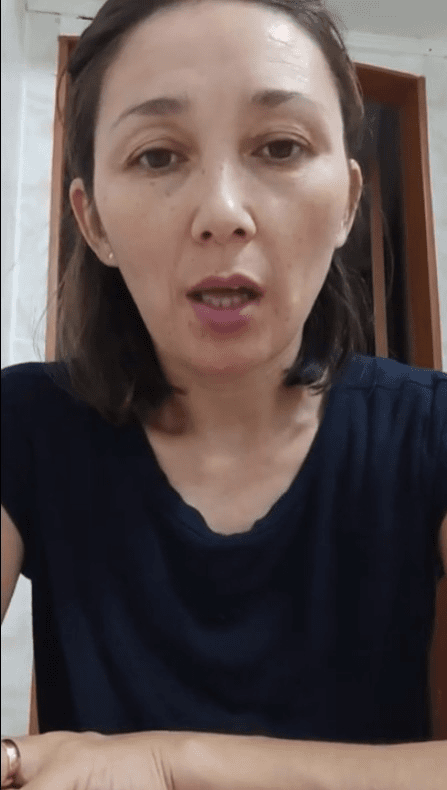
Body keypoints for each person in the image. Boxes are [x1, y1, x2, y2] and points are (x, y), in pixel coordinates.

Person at [2, 0, 446, 787]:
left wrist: (170, 762)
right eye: (157, 156)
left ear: (347, 201)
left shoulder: (430, 431)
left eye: (280, 147)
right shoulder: (22, 426)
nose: (222, 214)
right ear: (92, 219)